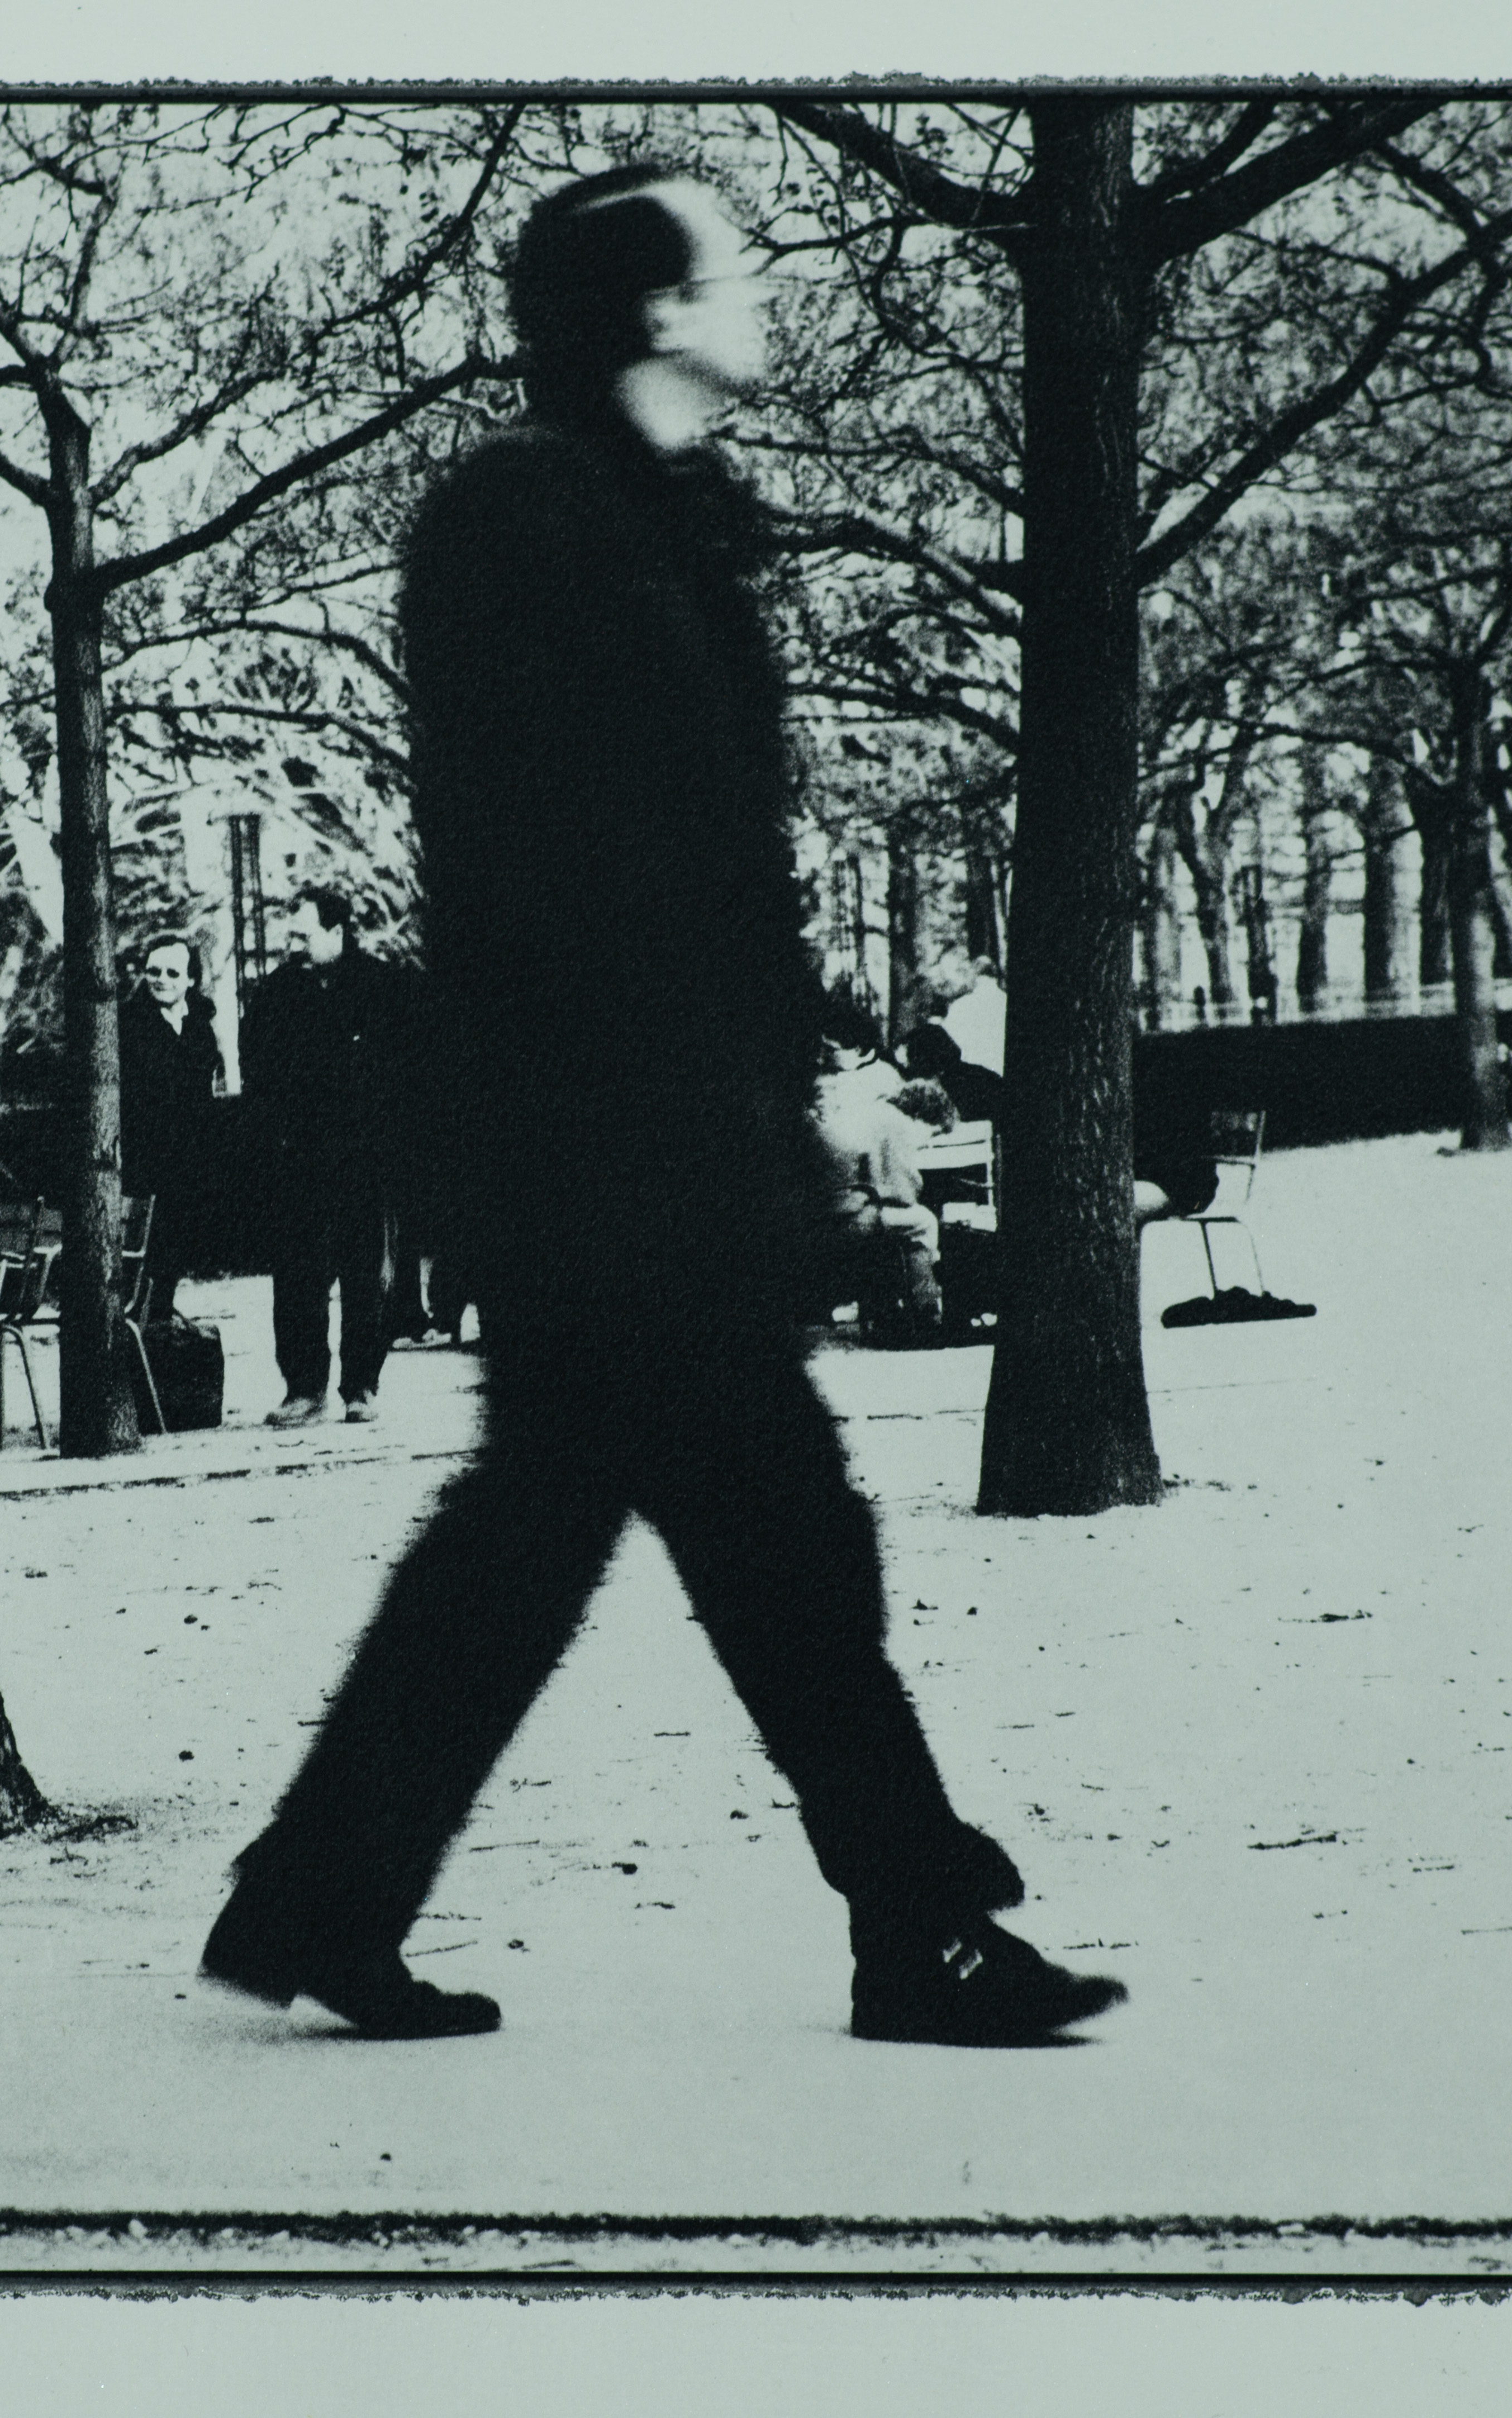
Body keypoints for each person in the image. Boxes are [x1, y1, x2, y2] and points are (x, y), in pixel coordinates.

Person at [199, 165, 1123, 2048]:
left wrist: (779, 1083)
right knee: (775, 1551)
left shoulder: (655, 515)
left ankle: (320, 1899)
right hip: (618, 1166)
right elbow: (579, 875)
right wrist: (723, 1119)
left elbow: (697, 870)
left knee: (538, 1551)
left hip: (640, 1156)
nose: (759, 293)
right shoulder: (534, 517)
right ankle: (918, 1928)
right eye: (730, 268)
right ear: (653, 311)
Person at [240, 886, 406, 1426]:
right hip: (299, 1158)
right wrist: (275, 1134)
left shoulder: (381, 987)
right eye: (291, 935)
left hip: (364, 1157)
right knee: (297, 1278)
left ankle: (361, 1385)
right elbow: (255, 1067)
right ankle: (304, 1388)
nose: (294, 945)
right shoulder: (276, 993)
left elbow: (409, 1069)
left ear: (337, 932)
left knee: (365, 1278)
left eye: (304, 935)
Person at [813, 999, 943, 1344]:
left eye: (831, 1049)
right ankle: (925, 1311)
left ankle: (895, 1305)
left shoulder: (884, 1080)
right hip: (852, 1196)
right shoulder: (824, 1083)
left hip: (857, 1187)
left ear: (858, 1048)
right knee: (917, 1220)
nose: (824, 1057)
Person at [117, 934, 226, 1326]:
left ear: (191, 979)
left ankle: (159, 1322)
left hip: (190, 1162)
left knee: (175, 1252)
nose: (161, 979)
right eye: (153, 971)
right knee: (145, 1255)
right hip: (146, 1162)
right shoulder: (128, 1026)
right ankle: (142, 1326)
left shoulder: (200, 1027)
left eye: (172, 973)